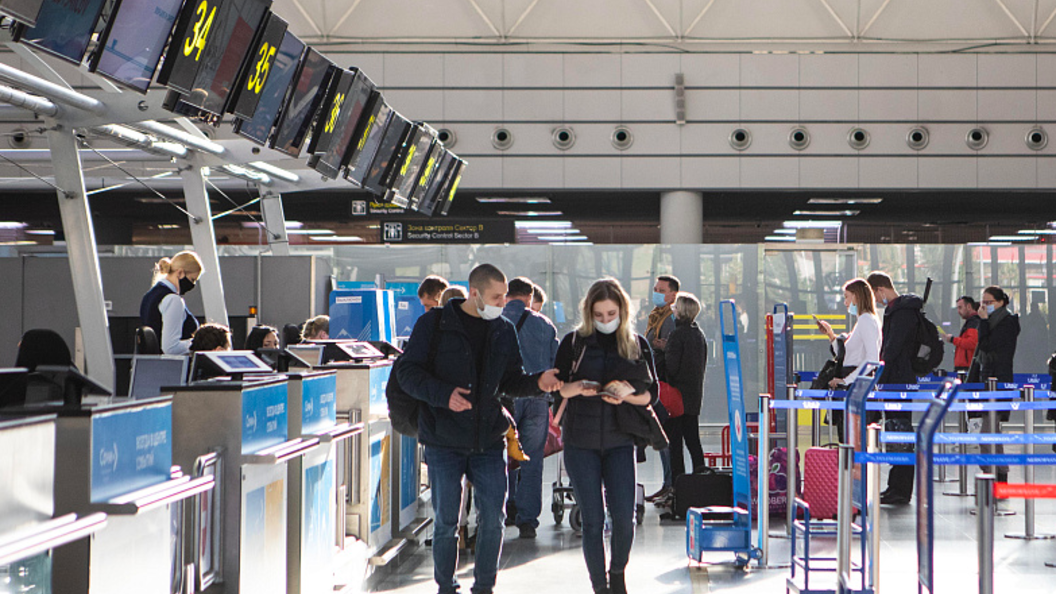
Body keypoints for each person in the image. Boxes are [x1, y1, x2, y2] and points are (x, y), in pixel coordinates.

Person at [397, 264, 562, 594]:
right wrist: (444, 395)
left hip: (488, 439)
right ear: (474, 294)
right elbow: (408, 373)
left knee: (494, 518)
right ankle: (446, 587)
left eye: (504, 297)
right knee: (446, 521)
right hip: (443, 439)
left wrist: (538, 383)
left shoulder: (503, 330)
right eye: (496, 297)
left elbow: (512, 381)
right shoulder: (434, 324)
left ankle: (484, 587)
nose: (503, 303)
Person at [555, 278, 655, 594]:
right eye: (599, 315)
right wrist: (576, 388)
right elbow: (556, 391)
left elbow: (650, 396)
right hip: (579, 442)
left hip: (620, 441)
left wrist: (624, 395)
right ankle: (599, 585)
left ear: (623, 311)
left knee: (624, 518)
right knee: (593, 521)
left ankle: (618, 574)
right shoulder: (573, 343)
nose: (606, 321)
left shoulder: (636, 343)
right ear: (589, 313)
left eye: (611, 314)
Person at [501, 277, 559, 539]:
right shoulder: (545, 324)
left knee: (503, 456)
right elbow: (554, 364)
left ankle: (504, 509)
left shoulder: (496, 320)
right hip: (537, 399)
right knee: (531, 458)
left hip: (506, 399)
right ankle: (528, 521)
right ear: (530, 296)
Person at [867, 271, 923, 505]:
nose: (875, 300)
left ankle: (901, 489)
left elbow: (892, 349)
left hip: (898, 381)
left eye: (874, 294)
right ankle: (895, 486)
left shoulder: (902, 313)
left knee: (901, 432)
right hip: (897, 378)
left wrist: (880, 378)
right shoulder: (900, 311)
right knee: (895, 431)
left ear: (880, 289)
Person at [815, 279, 882, 441]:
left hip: (855, 387)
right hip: (855, 385)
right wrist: (831, 335)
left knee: (852, 440)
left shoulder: (866, 321)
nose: (845, 302)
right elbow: (850, 354)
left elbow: (872, 359)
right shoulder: (865, 321)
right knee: (851, 439)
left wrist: (846, 380)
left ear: (857, 296)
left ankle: (852, 466)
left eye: (847, 297)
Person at [969, 286, 1021, 482]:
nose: (984, 306)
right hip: (986, 379)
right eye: (982, 303)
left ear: (1001, 302)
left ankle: (997, 472)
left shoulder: (1007, 323)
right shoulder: (989, 322)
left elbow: (986, 344)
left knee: (990, 430)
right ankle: (995, 471)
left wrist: (982, 322)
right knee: (990, 429)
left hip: (999, 380)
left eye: (989, 303)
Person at [663, 292, 708, 481]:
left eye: (675, 307)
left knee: (675, 444)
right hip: (693, 395)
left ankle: (678, 485)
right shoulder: (699, 334)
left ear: (680, 312)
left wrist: (663, 350)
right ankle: (702, 478)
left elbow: (672, 368)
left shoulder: (677, 335)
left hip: (676, 397)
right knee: (693, 440)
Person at [645, 274, 678, 501]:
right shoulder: (656, 317)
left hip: (664, 384)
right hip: (654, 381)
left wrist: (660, 347)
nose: (656, 293)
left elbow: (670, 350)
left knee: (666, 436)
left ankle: (670, 484)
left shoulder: (670, 319)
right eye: (655, 288)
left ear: (673, 295)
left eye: (661, 289)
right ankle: (667, 482)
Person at [139, 251, 203, 355]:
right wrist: (201, 343)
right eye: (192, 280)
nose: (192, 285)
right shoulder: (173, 300)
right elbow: (170, 348)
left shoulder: (150, 295)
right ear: (180, 273)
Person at [945, 296, 980, 375]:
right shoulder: (971, 322)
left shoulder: (973, 323)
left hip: (967, 367)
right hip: (965, 366)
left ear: (969, 307)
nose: (958, 311)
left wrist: (953, 339)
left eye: (960, 307)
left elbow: (972, 343)